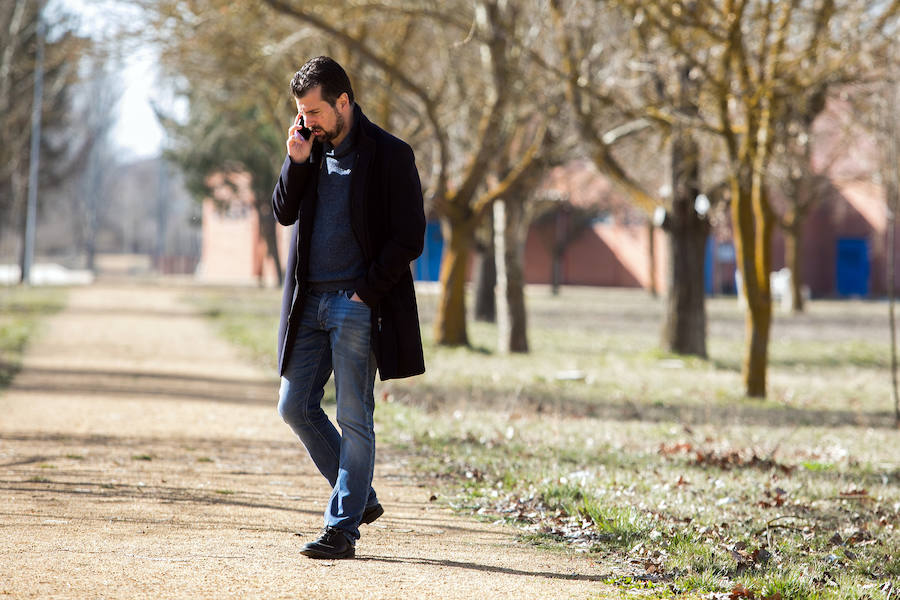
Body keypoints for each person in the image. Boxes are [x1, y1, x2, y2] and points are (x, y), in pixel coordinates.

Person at [271, 56, 426, 560]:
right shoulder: (308, 150)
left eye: (314, 111)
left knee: (355, 418)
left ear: (343, 102)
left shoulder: (389, 155)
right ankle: (361, 498)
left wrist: (366, 291)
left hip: (357, 305)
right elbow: (284, 212)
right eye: (301, 112)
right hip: (309, 302)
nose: (306, 121)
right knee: (294, 406)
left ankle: (342, 529)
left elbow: (410, 237)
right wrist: (295, 160)